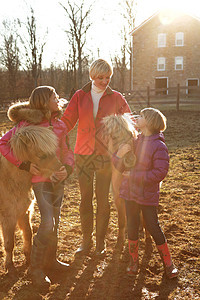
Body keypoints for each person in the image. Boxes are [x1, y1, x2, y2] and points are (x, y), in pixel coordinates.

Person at [0, 86, 74, 288]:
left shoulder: (60, 125)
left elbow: (66, 150)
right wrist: (23, 164)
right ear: (43, 102)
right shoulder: (27, 125)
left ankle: (51, 260)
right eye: (54, 97)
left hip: (58, 179)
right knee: (48, 222)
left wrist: (68, 167)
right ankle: (36, 267)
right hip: (40, 181)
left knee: (55, 222)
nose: (58, 99)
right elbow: (3, 143)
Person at [61, 58, 131, 256]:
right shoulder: (79, 96)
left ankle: (101, 243)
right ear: (92, 76)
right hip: (82, 155)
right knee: (84, 198)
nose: (104, 81)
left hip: (104, 156)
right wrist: (52, 132)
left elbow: (128, 120)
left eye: (108, 77)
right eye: (100, 77)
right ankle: (86, 241)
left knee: (102, 199)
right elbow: (67, 121)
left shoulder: (116, 97)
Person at [112, 107, 178, 278]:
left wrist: (134, 176)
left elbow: (160, 172)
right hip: (130, 194)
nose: (137, 118)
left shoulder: (159, 145)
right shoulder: (133, 141)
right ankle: (133, 262)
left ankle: (168, 263)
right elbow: (119, 165)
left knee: (153, 226)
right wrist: (119, 155)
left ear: (149, 122)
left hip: (147, 195)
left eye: (141, 116)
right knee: (132, 227)